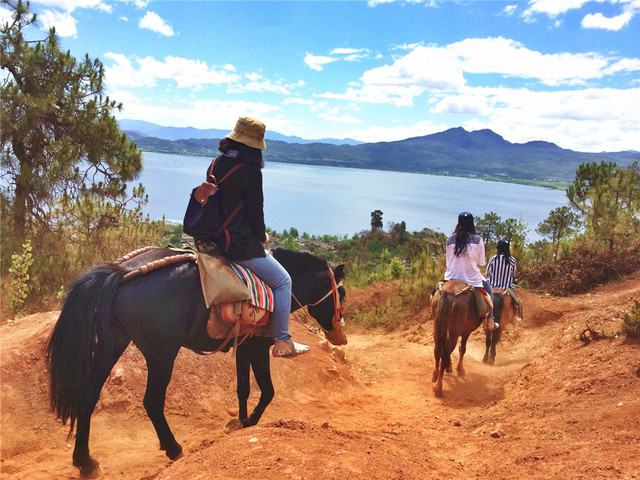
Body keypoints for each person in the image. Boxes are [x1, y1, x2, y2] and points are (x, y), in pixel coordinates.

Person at [192, 116, 309, 358]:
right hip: (237, 246)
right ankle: (282, 342)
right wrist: (261, 236)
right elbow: (256, 214)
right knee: (283, 281)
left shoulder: (215, 163)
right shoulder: (251, 173)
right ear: (255, 145)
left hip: (212, 239)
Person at [444, 212, 497, 330]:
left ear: (458, 223)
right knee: (489, 290)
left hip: (451, 277)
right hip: (471, 279)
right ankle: (490, 320)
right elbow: (481, 264)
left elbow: (448, 262)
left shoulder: (450, 240)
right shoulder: (478, 240)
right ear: (472, 224)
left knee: (436, 293)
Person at [486, 239, 523, 322]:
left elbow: (487, 272)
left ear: (498, 248)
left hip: (492, 285)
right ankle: (516, 316)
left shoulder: (493, 258)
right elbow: (513, 274)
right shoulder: (512, 260)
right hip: (507, 287)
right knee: (517, 301)